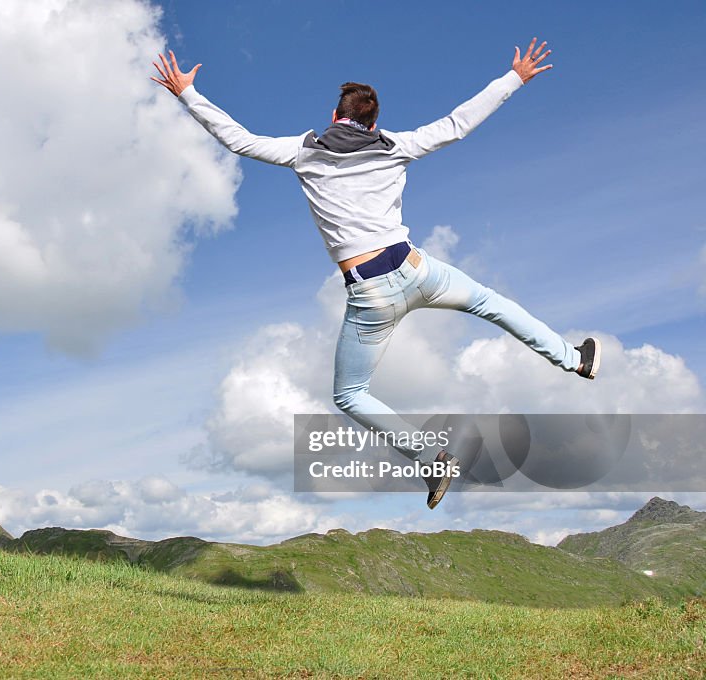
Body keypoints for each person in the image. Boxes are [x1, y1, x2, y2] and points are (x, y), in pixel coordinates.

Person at [152, 39, 600, 509]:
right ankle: (574, 359)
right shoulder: (394, 146)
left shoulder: (304, 151)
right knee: (491, 302)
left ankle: (431, 460)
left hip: (370, 292)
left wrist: (187, 93)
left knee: (349, 395)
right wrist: (515, 78)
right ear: (373, 121)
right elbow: (457, 124)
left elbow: (238, 139)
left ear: (333, 114)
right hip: (416, 266)